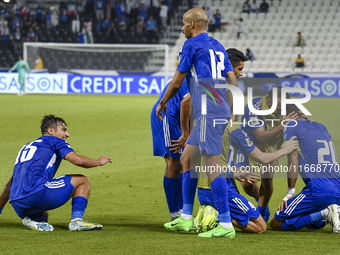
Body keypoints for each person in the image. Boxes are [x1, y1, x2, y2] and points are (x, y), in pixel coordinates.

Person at [156, 7, 238, 238]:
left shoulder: (191, 45)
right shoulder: (219, 47)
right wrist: (228, 109)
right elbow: (232, 81)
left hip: (209, 111)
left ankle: (226, 224)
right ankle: (185, 218)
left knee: (212, 166)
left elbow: (176, 82)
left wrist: (162, 102)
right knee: (186, 158)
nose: (182, 28)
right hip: (213, 110)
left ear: (191, 25)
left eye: (183, 23)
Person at [0, 115, 112, 231]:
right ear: (51, 131)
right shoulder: (54, 140)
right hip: (37, 195)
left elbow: (11, 182)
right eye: (64, 130)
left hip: (18, 203)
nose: (67, 134)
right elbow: (78, 161)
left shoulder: (27, 146)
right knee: (82, 180)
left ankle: (33, 220)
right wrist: (98, 162)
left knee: (44, 215)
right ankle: (77, 221)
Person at [270, 105, 340, 233]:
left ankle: (325, 213)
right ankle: (328, 213)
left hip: (319, 191)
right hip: (338, 190)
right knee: (311, 223)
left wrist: (290, 193)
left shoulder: (291, 125)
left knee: (276, 223)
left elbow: (293, 158)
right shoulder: (321, 127)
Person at [240, 87, 298, 221]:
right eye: (278, 107)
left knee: (267, 180)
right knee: (247, 183)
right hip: (250, 143)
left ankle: (261, 210)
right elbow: (260, 136)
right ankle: (260, 202)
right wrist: (282, 125)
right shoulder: (253, 108)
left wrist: (302, 119)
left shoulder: (288, 106)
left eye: (283, 107)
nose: (281, 110)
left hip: (271, 145)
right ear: (269, 101)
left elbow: (301, 121)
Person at [151, 78, 190, 221]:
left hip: (182, 118)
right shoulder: (204, 74)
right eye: (239, 69)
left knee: (184, 163)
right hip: (169, 117)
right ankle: (175, 213)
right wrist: (187, 132)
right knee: (174, 163)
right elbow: (187, 102)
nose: (240, 73)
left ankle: (182, 211)